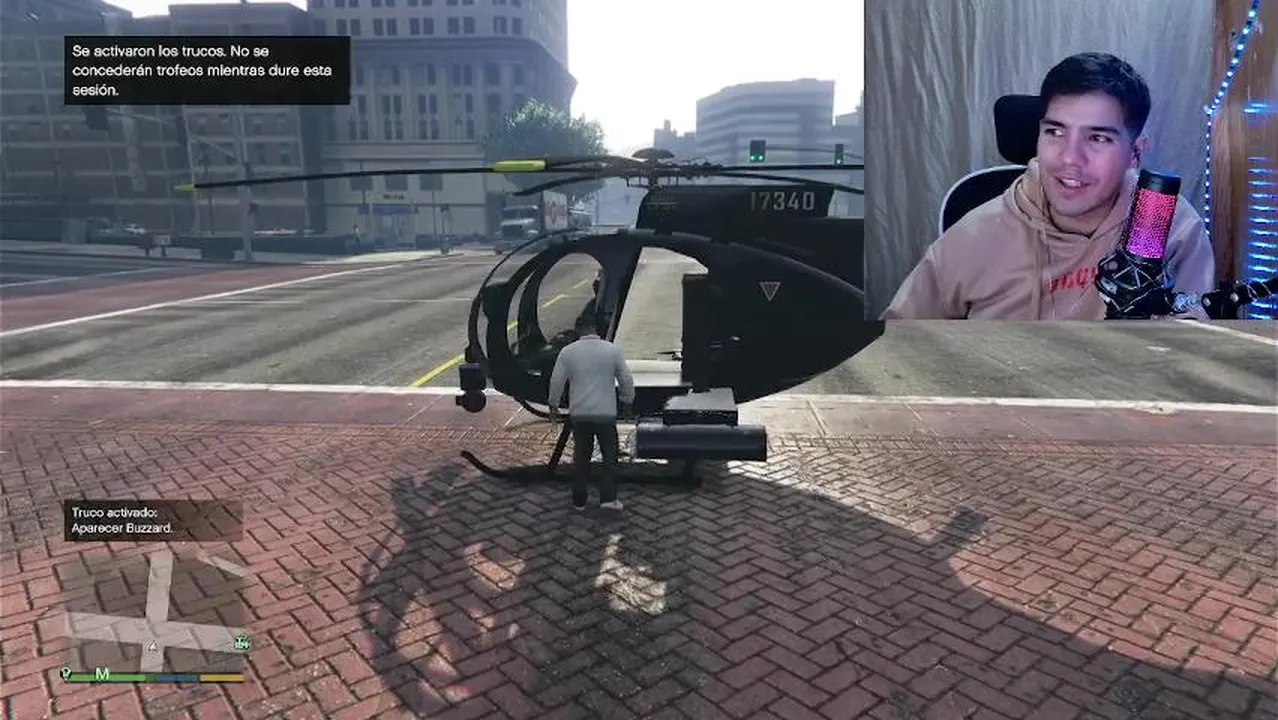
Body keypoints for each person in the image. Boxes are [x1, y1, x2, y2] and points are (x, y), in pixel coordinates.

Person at [883, 52, 1216, 320]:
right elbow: (893, 346)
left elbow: (1194, 348)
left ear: (1136, 153)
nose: (1070, 158)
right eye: (1055, 132)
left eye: (1097, 138)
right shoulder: (976, 236)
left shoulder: (1168, 226)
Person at [547, 312, 635, 511]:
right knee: (609, 457)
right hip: (605, 413)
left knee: (581, 458)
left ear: (578, 330)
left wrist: (553, 404)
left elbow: (556, 381)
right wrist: (627, 400)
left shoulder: (568, 352)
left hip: (580, 414)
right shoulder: (612, 350)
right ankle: (608, 499)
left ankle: (579, 501)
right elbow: (626, 379)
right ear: (596, 328)